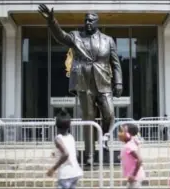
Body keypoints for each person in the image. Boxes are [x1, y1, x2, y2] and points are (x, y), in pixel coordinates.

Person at [38, 4, 123, 165]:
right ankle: (90, 155)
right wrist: (51, 21)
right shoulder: (76, 36)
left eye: (91, 20)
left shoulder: (108, 40)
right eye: (86, 20)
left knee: (110, 114)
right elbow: (61, 36)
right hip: (84, 82)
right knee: (88, 119)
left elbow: (115, 63)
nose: (88, 23)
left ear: (97, 22)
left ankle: (104, 140)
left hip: (103, 82)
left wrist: (118, 82)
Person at [46, 109, 83, 189]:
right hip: (75, 172)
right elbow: (76, 154)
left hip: (65, 174)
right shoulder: (71, 137)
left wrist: (53, 169)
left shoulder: (58, 139)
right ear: (69, 126)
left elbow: (66, 154)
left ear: (56, 125)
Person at [118, 123, 145, 189]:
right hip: (134, 177)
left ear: (128, 134)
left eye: (122, 131)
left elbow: (139, 160)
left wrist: (133, 175)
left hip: (135, 177)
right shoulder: (131, 143)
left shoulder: (129, 146)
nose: (120, 133)